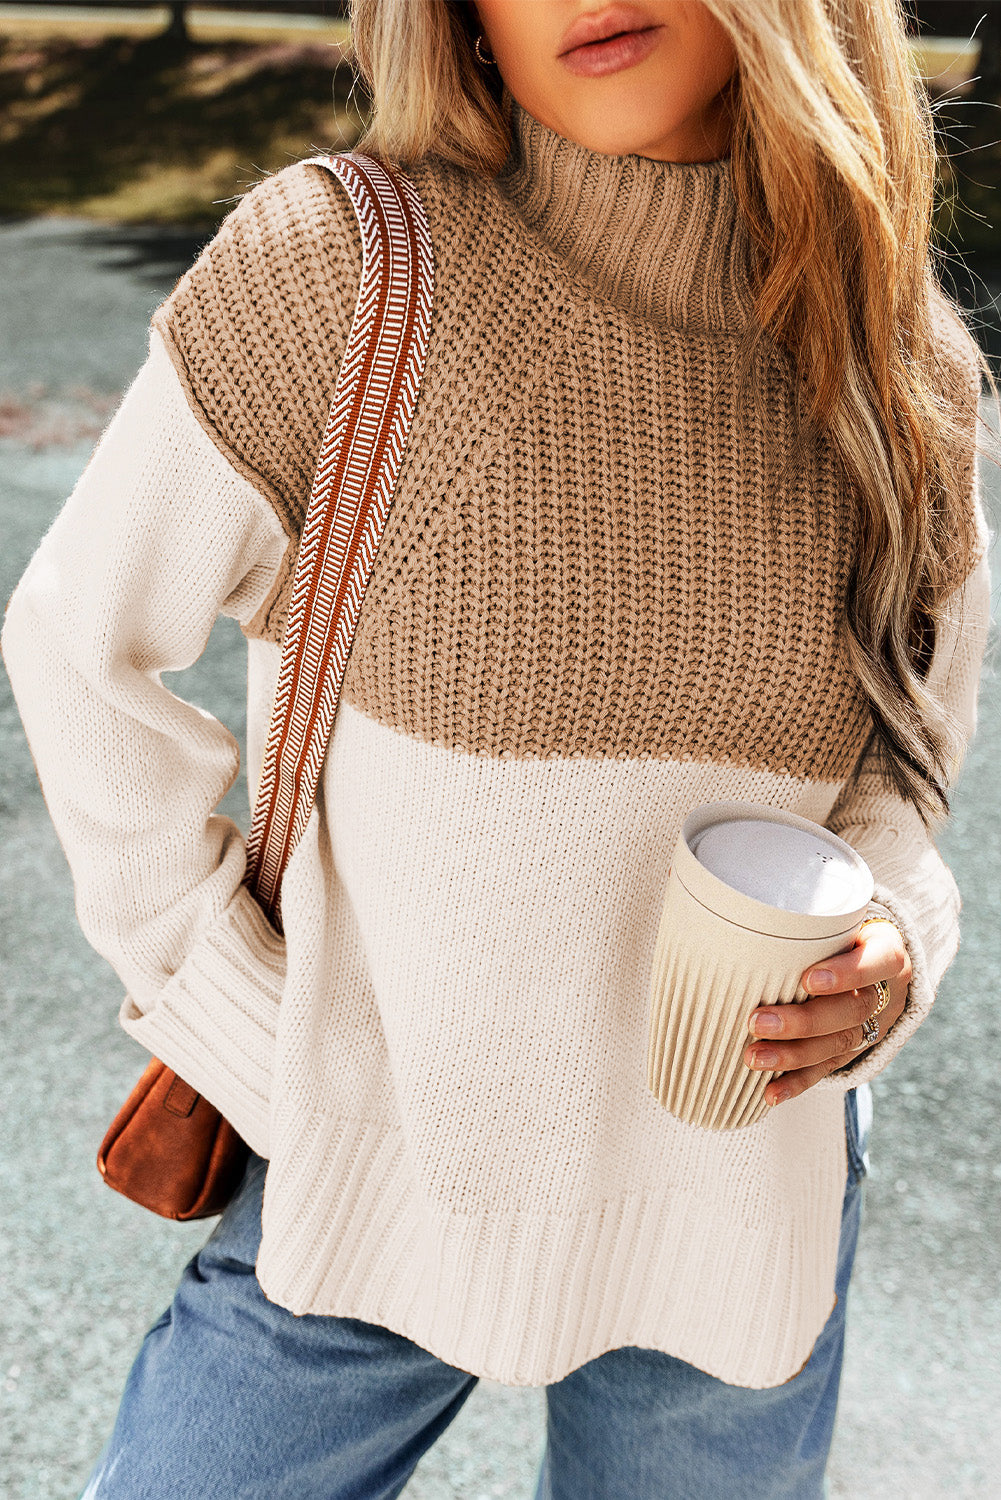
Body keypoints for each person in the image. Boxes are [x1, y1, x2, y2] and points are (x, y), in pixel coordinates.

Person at [2, 0, 993, 1495]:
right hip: (363, 1167)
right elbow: (79, 647)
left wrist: (891, 952)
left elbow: (904, 783)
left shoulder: (901, 370)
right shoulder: (344, 272)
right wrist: (240, 1018)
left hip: (733, 1203)